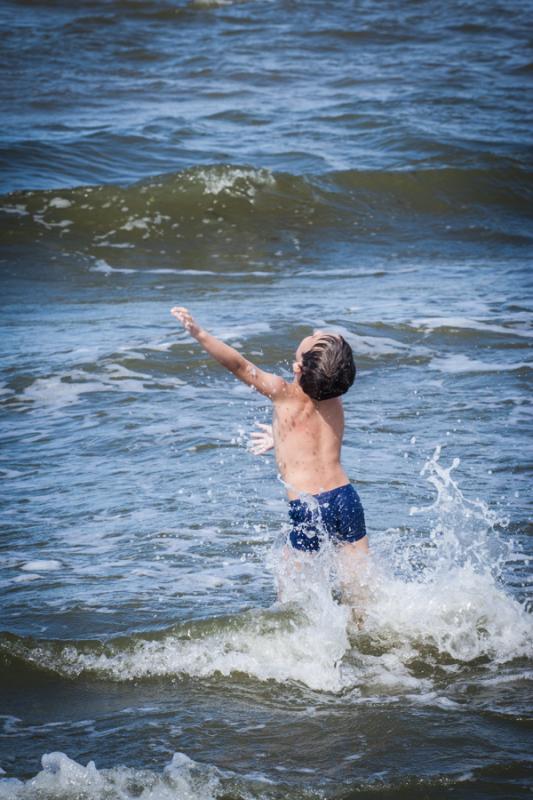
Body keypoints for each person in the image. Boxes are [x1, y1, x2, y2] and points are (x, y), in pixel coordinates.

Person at [170, 306, 369, 607]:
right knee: (358, 581)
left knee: (289, 586)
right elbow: (314, 437)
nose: (315, 332)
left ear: (298, 369)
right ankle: (366, 630)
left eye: (315, 338)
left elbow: (238, 365)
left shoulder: (282, 392)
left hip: (308, 505)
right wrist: (281, 439)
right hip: (345, 497)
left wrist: (199, 333)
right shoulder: (335, 394)